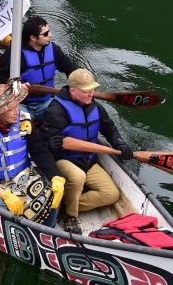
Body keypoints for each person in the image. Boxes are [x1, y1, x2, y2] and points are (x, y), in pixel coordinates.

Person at [0, 67, 65, 227]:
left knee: (54, 190)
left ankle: (48, 229)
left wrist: (55, 176)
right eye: (11, 108)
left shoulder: (24, 121)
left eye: (17, 106)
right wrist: (2, 193)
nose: (17, 112)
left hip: (25, 177)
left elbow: (40, 152)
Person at [40, 68, 134, 235]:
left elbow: (110, 129)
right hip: (64, 160)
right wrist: (51, 143)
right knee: (78, 177)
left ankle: (63, 205)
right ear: (73, 90)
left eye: (92, 88)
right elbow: (43, 145)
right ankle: (70, 216)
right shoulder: (56, 110)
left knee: (111, 194)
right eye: (86, 90)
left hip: (88, 161)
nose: (91, 93)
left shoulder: (96, 108)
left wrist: (120, 144)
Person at [0, 16, 74, 121]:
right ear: (33, 37)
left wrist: (75, 88)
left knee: (68, 115)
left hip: (47, 102)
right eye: (46, 34)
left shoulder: (54, 50)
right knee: (21, 125)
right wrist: (18, 87)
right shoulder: (15, 54)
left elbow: (70, 70)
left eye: (49, 31)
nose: (50, 36)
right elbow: (2, 82)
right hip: (20, 105)